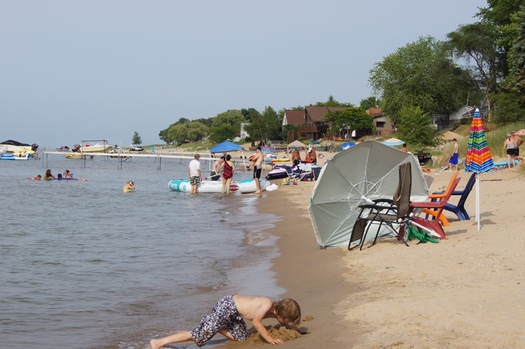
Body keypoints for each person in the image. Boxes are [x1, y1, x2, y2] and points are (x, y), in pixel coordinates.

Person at [149, 295, 301, 348]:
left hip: (234, 313)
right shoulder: (268, 304)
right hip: (228, 306)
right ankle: (158, 342)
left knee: (241, 337)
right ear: (281, 313)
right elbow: (256, 322)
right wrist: (270, 339)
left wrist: (292, 328)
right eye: (286, 320)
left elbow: (283, 322)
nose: (284, 323)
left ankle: (216, 325)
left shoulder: (276, 311)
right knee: (198, 337)